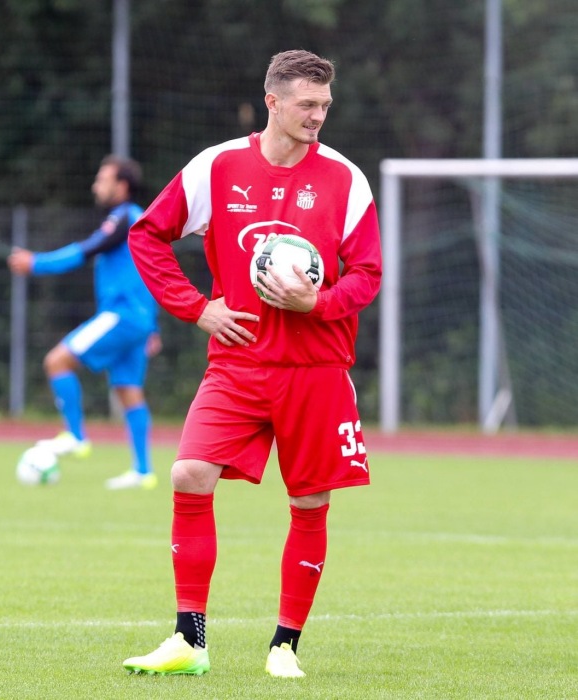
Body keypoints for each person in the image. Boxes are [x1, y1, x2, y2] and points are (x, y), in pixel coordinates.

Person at [121, 49, 382, 677]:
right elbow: (148, 235)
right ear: (273, 102)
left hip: (316, 369)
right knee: (188, 474)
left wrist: (317, 303)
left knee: (310, 501)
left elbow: (368, 274)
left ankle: (284, 646)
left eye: (325, 105)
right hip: (237, 362)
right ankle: (189, 641)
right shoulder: (217, 167)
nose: (318, 116)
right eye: (307, 104)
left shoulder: (345, 178)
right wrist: (196, 308)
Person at [7, 155, 161, 491]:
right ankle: (142, 471)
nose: (96, 185)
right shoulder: (138, 219)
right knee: (128, 389)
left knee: (56, 362)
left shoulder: (123, 217)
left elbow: (86, 250)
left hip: (121, 315)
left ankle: (75, 436)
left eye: (102, 179)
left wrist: (37, 263)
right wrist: (153, 326)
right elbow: (152, 273)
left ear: (122, 186)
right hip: (139, 319)